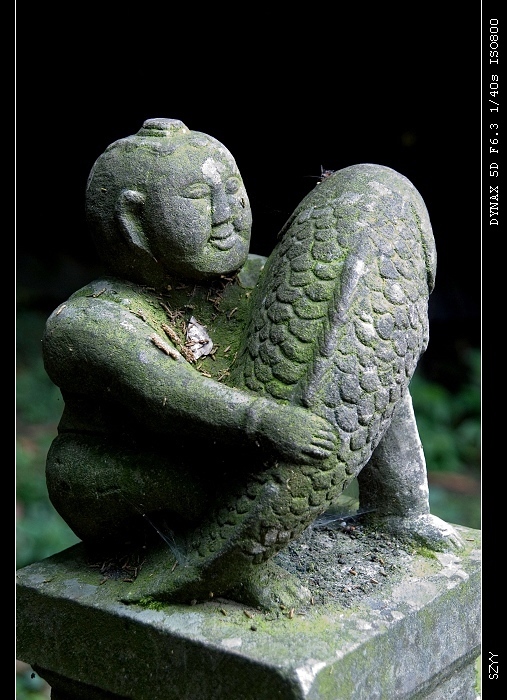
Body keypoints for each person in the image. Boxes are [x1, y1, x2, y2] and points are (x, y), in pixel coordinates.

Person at [43, 118, 461, 607]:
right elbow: (169, 392)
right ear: (133, 221)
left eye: (233, 189)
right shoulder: (92, 321)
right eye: (199, 197)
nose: (229, 213)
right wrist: (264, 420)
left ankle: (393, 512)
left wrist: (402, 499)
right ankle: (226, 561)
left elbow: (369, 365)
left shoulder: (260, 277)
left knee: (360, 333)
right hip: (147, 467)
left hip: (246, 456)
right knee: (97, 472)